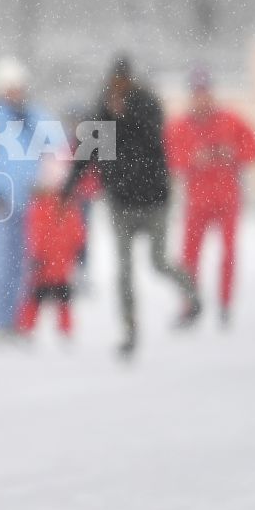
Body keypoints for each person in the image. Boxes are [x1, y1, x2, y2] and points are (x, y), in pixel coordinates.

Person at [68, 54, 198, 358]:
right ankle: (129, 329)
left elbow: (151, 146)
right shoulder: (102, 114)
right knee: (124, 272)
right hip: (121, 205)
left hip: (153, 202)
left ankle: (192, 293)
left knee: (158, 262)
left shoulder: (146, 105)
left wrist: (127, 117)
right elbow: (85, 157)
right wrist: (68, 191)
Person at [165, 66, 255, 326]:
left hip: (227, 199)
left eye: (205, 92)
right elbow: (170, 159)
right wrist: (193, 158)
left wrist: (233, 153)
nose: (202, 99)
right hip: (197, 203)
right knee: (189, 255)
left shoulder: (231, 120)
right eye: (197, 93)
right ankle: (190, 304)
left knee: (229, 252)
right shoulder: (180, 126)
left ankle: (225, 304)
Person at [0, 58, 56, 340]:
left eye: (18, 87)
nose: (15, 92)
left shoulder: (35, 116)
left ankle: (20, 320)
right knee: (0, 264)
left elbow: (56, 151)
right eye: (9, 87)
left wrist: (47, 184)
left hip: (31, 203)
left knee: (26, 264)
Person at [17, 153, 89, 342]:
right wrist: (36, 255)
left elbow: (76, 228)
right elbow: (36, 235)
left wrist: (79, 246)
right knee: (39, 298)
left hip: (59, 262)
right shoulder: (41, 206)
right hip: (46, 263)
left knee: (59, 299)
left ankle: (64, 330)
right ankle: (29, 328)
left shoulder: (63, 204)